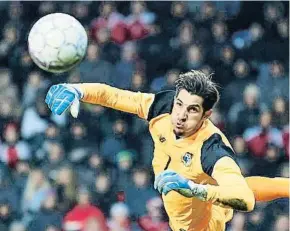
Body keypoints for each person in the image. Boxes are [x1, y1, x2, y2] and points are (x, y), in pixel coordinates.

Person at [45, 70, 289, 231]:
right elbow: (117, 96)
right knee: (229, 191)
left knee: (227, 196)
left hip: (200, 225)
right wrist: (79, 90)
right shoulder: (164, 106)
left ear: (206, 115)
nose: (180, 115)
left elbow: (244, 200)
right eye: (179, 104)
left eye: (192, 110)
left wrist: (193, 189)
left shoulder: (211, 148)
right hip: (194, 200)